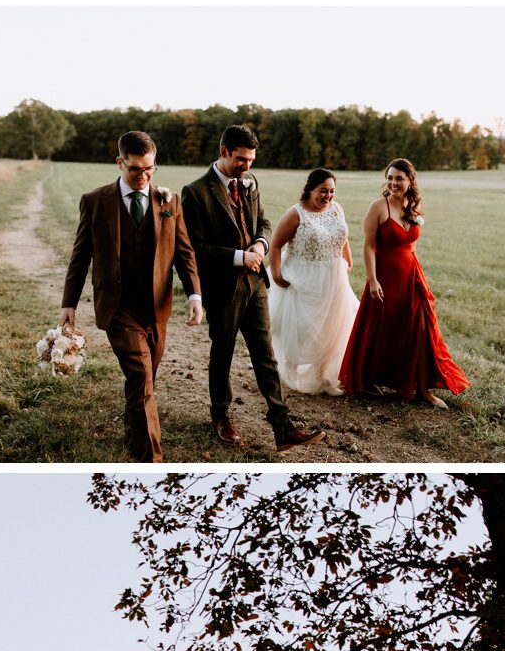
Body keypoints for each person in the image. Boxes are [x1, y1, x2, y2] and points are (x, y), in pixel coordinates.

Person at [60, 131, 203, 464]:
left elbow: (184, 252)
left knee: (145, 378)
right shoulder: (95, 201)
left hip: (156, 307)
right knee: (141, 375)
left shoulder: (169, 201)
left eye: (149, 169)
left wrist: (194, 294)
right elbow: (80, 256)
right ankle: (150, 459)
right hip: (118, 307)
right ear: (119, 162)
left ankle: (132, 432)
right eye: (135, 169)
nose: (143, 177)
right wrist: (68, 303)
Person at [180, 125, 324, 451]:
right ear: (224, 152)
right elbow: (194, 247)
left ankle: (282, 426)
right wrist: (237, 257)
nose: (247, 166)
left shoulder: (250, 182)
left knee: (265, 355)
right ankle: (220, 417)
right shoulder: (196, 192)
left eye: (251, 160)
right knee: (223, 354)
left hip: (256, 284)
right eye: (241, 159)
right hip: (223, 288)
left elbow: (264, 222)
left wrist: (260, 244)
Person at [338, 159, 469, 406]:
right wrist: (373, 280)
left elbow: (411, 245)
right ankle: (368, 379)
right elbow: (368, 246)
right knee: (382, 328)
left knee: (421, 329)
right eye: (390, 178)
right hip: (385, 276)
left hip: (411, 275)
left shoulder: (413, 206)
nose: (393, 183)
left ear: (410, 181)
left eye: (399, 178)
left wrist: (415, 272)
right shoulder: (378, 207)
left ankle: (422, 389)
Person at [267, 168, 357, 395]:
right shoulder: (296, 214)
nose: (328, 196)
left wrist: (348, 260)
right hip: (302, 278)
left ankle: (323, 376)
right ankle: (290, 370)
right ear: (310, 189)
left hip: (333, 277)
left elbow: (341, 235)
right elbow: (276, 244)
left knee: (331, 327)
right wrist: (277, 275)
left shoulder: (337, 209)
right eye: (323, 191)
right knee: (303, 327)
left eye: (332, 191)